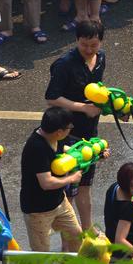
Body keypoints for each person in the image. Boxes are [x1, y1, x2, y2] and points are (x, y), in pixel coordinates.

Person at [44, 20, 106, 230]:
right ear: (76, 40)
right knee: (69, 188)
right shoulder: (65, 64)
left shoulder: (101, 59)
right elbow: (52, 97)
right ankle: (69, 242)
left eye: (93, 46)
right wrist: (82, 107)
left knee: (86, 186)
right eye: (84, 45)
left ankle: (87, 231)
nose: (89, 50)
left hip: (90, 132)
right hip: (67, 133)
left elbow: (98, 93)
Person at [20, 107, 84, 264]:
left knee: (77, 237)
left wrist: (96, 153)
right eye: (68, 128)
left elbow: (70, 151)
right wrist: (71, 179)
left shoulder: (54, 137)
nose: (70, 130)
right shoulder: (37, 147)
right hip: (37, 211)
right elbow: (46, 183)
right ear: (58, 132)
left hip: (59, 203)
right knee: (39, 255)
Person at [104, 162, 133, 254]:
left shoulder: (114, 188)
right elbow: (120, 240)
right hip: (125, 253)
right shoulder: (129, 208)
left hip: (110, 241)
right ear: (125, 185)